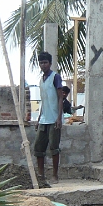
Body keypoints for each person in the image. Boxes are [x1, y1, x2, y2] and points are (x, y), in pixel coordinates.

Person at [33, 51, 64, 183]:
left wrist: (59, 118)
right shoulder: (41, 80)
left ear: (50, 64)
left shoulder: (55, 77)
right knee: (38, 148)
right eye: (41, 63)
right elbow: (43, 100)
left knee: (54, 148)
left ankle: (55, 175)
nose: (43, 65)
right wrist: (39, 117)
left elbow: (60, 97)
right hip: (44, 119)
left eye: (45, 62)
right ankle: (41, 175)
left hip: (54, 119)